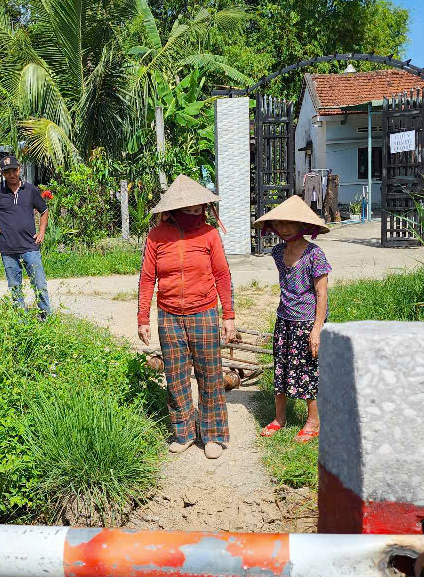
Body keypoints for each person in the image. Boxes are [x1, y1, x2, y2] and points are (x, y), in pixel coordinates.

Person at [137, 175, 237, 460]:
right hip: (169, 315)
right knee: (176, 376)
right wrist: (142, 318)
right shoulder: (156, 236)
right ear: (174, 209)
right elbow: (147, 278)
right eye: (189, 208)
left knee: (210, 375)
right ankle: (183, 432)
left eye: (199, 207)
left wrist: (228, 315)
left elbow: (222, 275)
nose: (195, 212)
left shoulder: (209, 234)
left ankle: (213, 434)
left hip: (204, 312)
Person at [253, 196, 331, 444]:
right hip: (284, 320)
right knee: (281, 368)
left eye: (289, 223)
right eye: (279, 223)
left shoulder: (315, 254)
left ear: (302, 225)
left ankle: (313, 421)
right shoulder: (278, 252)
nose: (284, 228)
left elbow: (321, 294)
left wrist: (317, 329)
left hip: (307, 323)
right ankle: (279, 418)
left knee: (309, 370)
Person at [0, 155, 52, 317]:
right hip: (8, 248)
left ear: (19, 169)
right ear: (3, 173)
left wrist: (42, 232)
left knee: (39, 284)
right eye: (7, 172)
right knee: (15, 286)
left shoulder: (30, 190)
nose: (11, 174)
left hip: (30, 246)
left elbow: (44, 211)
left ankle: (46, 316)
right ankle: (20, 319)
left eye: (14, 170)